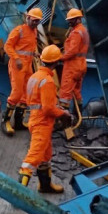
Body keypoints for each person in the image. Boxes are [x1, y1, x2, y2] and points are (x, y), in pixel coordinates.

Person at [18, 45, 72, 193]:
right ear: (56, 62)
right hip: (42, 123)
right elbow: (48, 108)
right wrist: (63, 113)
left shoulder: (34, 77)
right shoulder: (47, 81)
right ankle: (18, 192)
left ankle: (45, 185)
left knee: (45, 155)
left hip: (35, 120)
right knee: (33, 158)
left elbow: (36, 103)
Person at [2, 7, 43, 136]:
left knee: (26, 93)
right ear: (28, 18)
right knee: (17, 93)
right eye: (33, 20)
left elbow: (28, 47)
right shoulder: (19, 30)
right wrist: (16, 58)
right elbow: (7, 46)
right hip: (17, 65)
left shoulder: (34, 32)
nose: (35, 23)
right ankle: (5, 121)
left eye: (37, 21)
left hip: (28, 65)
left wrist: (35, 54)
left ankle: (18, 122)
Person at [59, 8, 89, 116]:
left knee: (65, 93)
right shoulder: (83, 30)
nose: (69, 22)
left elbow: (72, 51)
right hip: (81, 65)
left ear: (78, 19)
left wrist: (60, 57)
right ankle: (78, 114)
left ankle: (64, 118)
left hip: (72, 65)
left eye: (71, 20)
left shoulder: (76, 32)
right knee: (76, 91)